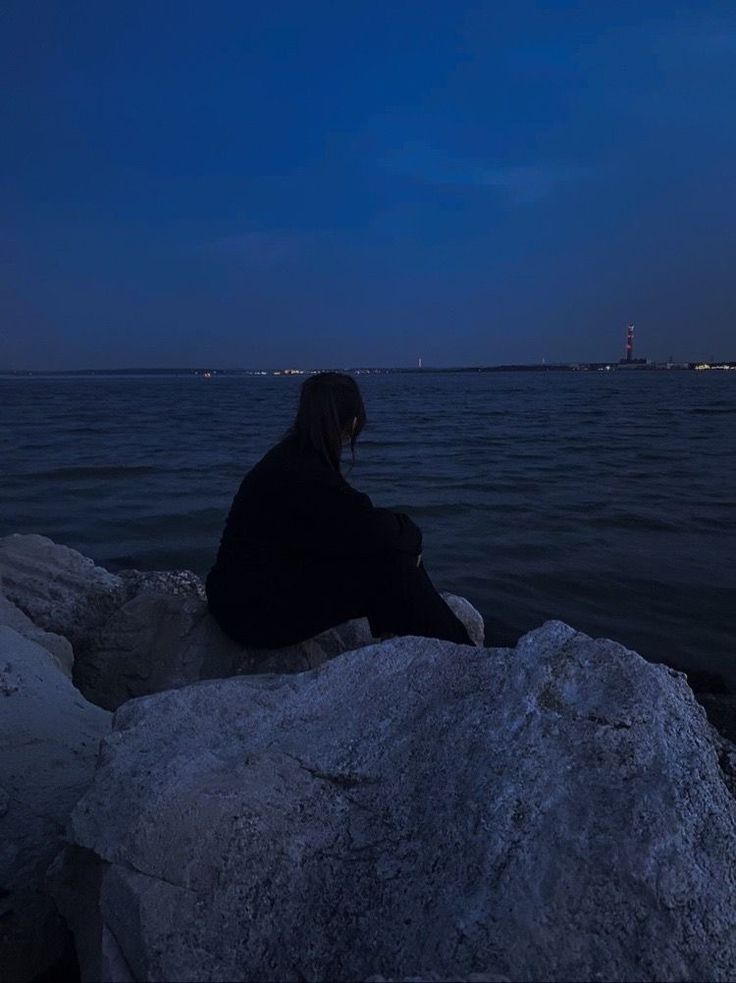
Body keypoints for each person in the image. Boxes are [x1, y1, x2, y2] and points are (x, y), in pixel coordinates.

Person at [206, 371, 473, 649]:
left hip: (236, 598)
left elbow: (352, 526)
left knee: (384, 557)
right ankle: (466, 656)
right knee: (394, 565)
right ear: (353, 422)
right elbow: (377, 530)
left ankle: (412, 642)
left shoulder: (289, 458)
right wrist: (411, 538)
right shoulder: (307, 473)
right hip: (252, 616)